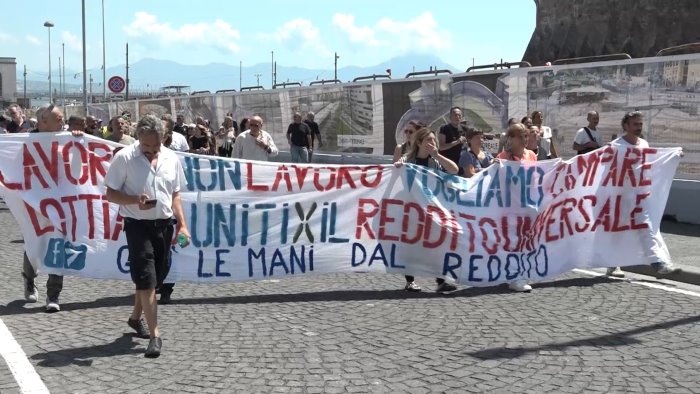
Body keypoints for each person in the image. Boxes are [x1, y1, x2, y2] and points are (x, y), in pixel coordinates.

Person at [104, 114, 191, 358]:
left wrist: (183, 225)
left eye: (156, 146)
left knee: (158, 276)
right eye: (146, 147)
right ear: (139, 138)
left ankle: (134, 317)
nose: (152, 151)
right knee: (146, 278)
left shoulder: (171, 157)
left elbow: (175, 193)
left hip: (164, 225)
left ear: (163, 138)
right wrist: (133, 200)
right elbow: (110, 193)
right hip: (137, 225)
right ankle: (155, 335)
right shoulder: (124, 158)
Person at [606, 111, 681, 278]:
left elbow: (653, 163)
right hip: (620, 197)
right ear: (626, 126)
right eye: (635, 124)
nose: (639, 127)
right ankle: (613, 264)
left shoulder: (644, 144)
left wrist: (672, 157)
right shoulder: (615, 146)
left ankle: (658, 263)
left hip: (640, 197)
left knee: (646, 226)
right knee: (617, 232)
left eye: (640, 124)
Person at [22, 104, 81, 312]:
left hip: (61, 203)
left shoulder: (68, 138)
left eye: (62, 117)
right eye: (58, 118)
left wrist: (79, 139)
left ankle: (53, 294)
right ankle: (29, 279)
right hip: (34, 203)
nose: (62, 121)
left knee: (58, 245)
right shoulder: (27, 140)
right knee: (34, 244)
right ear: (43, 122)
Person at [394, 127, 460, 293]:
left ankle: (440, 280)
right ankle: (410, 281)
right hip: (412, 209)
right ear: (419, 143)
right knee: (411, 245)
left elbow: (454, 170)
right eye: (428, 141)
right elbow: (396, 169)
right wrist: (399, 165)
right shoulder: (409, 158)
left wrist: (437, 155)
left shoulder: (435, 161)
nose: (432, 143)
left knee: (437, 244)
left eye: (434, 140)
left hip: (431, 209)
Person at [497, 123, 537, 292]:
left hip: (529, 205)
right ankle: (515, 277)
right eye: (520, 136)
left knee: (527, 241)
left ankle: (520, 273)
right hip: (510, 207)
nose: (524, 139)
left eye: (525, 136)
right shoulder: (503, 157)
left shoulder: (532, 155)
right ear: (511, 139)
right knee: (514, 242)